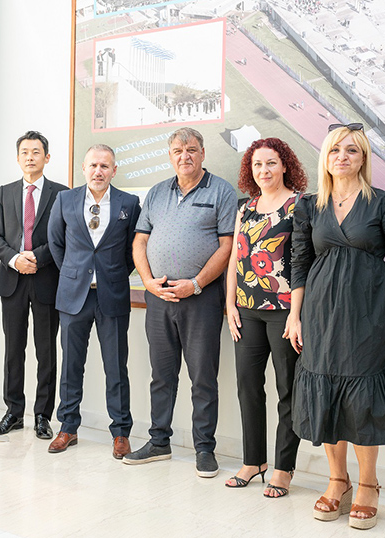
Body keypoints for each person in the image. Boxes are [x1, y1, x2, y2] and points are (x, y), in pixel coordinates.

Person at [285, 123, 385, 530]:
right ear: (325, 157)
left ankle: (368, 484)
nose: (342, 157)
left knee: (364, 398)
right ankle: (337, 480)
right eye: (335, 150)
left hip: (370, 313)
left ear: (363, 157)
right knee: (327, 392)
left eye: (351, 150)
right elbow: (299, 264)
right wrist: (295, 315)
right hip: (320, 315)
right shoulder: (309, 206)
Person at [124, 127, 236, 478]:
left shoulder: (221, 191)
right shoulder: (157, 192)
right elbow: (140, 242)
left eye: (191, 149)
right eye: (177, 150)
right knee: (161, 376)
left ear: (202, 153)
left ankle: (205, 449)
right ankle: (159, 441)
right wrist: (147, 282)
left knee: (203, 377)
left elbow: (227, 246)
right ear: (170, 156)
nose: (184, 156)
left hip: (201, 298)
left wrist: (197, 284)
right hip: (159, 298)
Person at [46, 144, 141, 459]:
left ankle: (121, 432)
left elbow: (133, 250)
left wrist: (112, 274)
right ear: (84, 168)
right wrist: (75, 274)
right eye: (93, 165)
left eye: (104, 166)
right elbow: (56, 243)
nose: (98, 171)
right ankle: (67, 427)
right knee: (71, 366)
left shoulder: (129, 203)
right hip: (74, 296)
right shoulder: (65, 200)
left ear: (114, 170)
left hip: (112, 295)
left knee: (116, 367)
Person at [225, 138, 307, 497]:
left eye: (271, 163)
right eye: (257, 164)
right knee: (248, 387)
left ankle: (283, 468)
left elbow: (304, 262)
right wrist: (230, 305)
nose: (264, 170)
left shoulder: (300, 205)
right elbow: (235, 258)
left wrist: (297, 314)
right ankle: (253, 461)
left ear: (285, 165)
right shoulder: (245, 207)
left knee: (287, 390)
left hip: (285, 312)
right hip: (246, 311)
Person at [0, 131, 68, 439]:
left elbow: (65, 236)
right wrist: (14, 259)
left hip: (46, 280)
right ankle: (13, 412)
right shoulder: (5, 192)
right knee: (13, 350)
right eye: (25, 152)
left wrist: (37, 257)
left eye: (36, 152)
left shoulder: (61, 194)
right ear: (18, 157)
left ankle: (43, 416)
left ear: (47, 157)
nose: (30, 157)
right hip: (13, 281)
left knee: (46, 352)